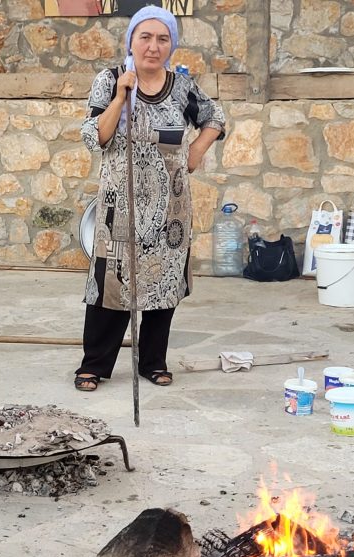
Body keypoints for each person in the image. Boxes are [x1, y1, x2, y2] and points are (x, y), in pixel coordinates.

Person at [75, 6, 225, 392]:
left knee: (164, 285)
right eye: (146, 37)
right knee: (110, 287)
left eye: (163, 39)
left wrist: (197, 149)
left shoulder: (182, 87)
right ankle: (94, 365)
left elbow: (214, 116)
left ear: (171, 45)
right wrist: (121, 96)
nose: (153, 47)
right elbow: (96, 137)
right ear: (131, 41)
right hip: (118, 208)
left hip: (170, 209)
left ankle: (153, 362)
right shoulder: (109, 81)